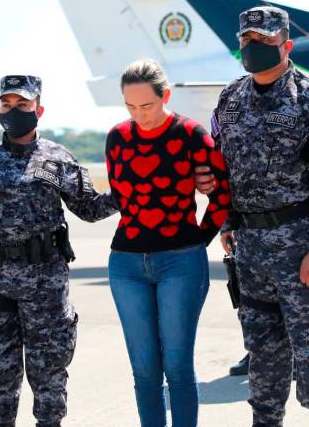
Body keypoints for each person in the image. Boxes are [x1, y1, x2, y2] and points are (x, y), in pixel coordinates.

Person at [0, 75, 118, 427]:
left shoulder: (58, 159)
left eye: (22, 104)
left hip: (45, 282)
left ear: (39, 109)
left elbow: (90, 208)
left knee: (49, 368)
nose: (13, 111)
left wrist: (128, 191)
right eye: (6, 105)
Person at [211, 6, 309, 427]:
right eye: (247, 40)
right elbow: (224, 167)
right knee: (263, 361)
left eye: (264, 40)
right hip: (252, 253)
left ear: (286, 45)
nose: (254, 46)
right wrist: (228, 222)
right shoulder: (231, 98)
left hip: (303, 249)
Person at [105, 59, 230, 427]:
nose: (139, 115)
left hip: (180, 262)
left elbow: (221, 195)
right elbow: (121, 197)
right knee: (144, 368)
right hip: (126, 265)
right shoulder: (116, 138)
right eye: (130, 106)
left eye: (147, 105)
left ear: (166, 96)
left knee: (177, 365)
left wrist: (196, 242)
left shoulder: (191, 134)